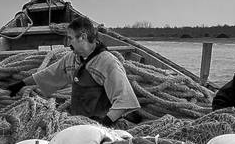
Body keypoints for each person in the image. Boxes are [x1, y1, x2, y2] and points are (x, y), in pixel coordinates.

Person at [11, 16, 142, 127]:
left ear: (82, 37)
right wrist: (21, 84)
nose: (68, 43)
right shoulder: (73, 58)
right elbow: (50, 73)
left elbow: (124, 100)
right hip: (77, 121)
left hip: (100, 123)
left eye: (70, 38)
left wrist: (104, 124)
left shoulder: (108, 63)